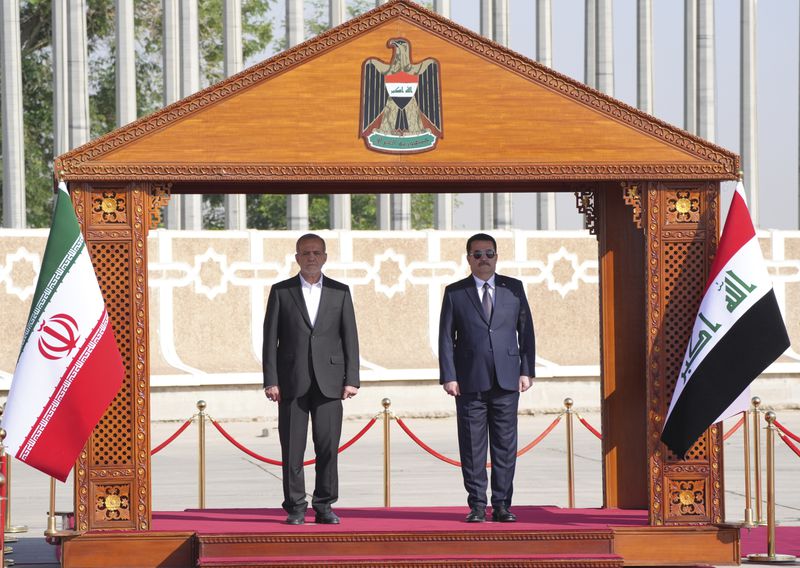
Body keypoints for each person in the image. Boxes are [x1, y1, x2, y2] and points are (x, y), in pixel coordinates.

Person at [263, 233, 360, 525]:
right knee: (292, 448)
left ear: (325, 257)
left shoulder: (340, 292)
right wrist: (271, 380)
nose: (311, 258)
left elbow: (350, 338)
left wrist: (351, 378)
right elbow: (270, 340)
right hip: (292, 381)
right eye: (305, 253)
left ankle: (324, 505)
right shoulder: (282, 291)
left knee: (328, 447)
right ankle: (295, 507)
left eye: (317, 252)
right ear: (296, 258)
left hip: (330, 381)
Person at [438, 233, 535, 523]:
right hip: (468, 381)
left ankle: (503, 504)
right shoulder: (456, 292)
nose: (483, 259)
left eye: (489, 253)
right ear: (468, 258)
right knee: (472, 446)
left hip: (507, 381)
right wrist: (449, 376)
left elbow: (526, 331)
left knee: (505, 446)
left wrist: (526, 370)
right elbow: (446, 337)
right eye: (477, 254)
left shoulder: (513, 289)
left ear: (496, 256)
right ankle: (477, 505)